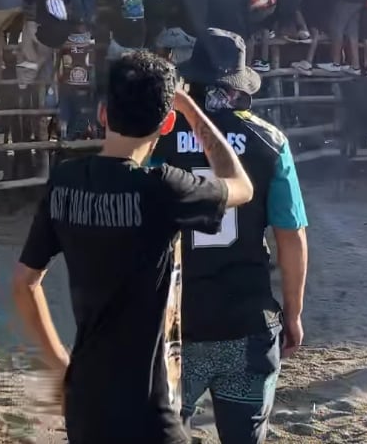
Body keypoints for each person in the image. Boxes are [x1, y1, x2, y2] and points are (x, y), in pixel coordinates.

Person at [12, 52, 255, 444]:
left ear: (103, 113)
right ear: (168, 122)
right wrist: (190, 108)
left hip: (86, 397)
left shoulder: (65, 181)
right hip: (149, 406)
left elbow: (25, 282)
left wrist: (59, 363)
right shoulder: (164, 187)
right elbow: (240, 185)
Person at [149, 30, 307, 444]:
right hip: (246, 317)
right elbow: (291, 235)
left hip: (174, 324)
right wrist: (292, 312)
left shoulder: (158, 139)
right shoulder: (270, 141)